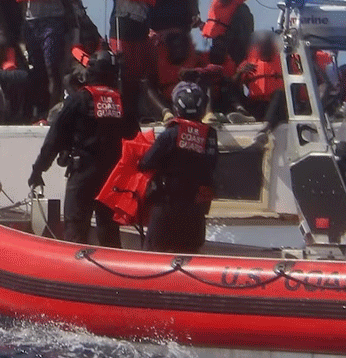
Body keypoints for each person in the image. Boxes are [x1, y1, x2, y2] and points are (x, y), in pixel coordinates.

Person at [28, 51, 131, 248]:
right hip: (113, 176)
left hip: (83, 172)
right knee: (109, 229)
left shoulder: (79, 99)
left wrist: (38, 169)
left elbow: (54, 138)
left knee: (75, 229)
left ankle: (75, 270)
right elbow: (133, 138)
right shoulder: (122, 102)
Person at [138, 82, 219, 253]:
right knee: (190, 255)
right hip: (195, 211)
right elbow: (212, 164)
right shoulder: (211, 135)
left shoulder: (171, 133)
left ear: (176, 107)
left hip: (167, 209)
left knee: (155, 255)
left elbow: (147, 162)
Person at [105, 0, 163, 127]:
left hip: (141, 28)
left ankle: (136, 112)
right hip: (122, 26)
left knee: (139, 75)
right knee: (122, 72)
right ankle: (120, 114)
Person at [147, 30, 206, 119]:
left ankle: (208, 114)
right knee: (146, 86)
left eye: (180, 47)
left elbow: (212, 71)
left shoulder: (195, 57)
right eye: (174, 47)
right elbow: (150, 83)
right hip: (167, 101)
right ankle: (167, 114)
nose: (177, 50)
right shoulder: (158, 60)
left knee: (208, 82)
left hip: (193, 100)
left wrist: (195, 72)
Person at [202, 0, 253, 66]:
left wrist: (224, 41)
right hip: (217, 56)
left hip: (235, 57)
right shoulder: (216, 7)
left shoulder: (241, 10)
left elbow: (243, 38)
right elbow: (215, 28)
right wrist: (201, 25)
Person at [239, 31, 283, 122]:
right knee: (228, 87)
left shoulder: (284, 61)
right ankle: (249, 117)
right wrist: (240, 72)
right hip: (255, 103)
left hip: (275, 105)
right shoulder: (249, 61)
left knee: (280, 94)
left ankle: (266, 123)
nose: (264, 51)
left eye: (267, 48)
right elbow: (233, 82)